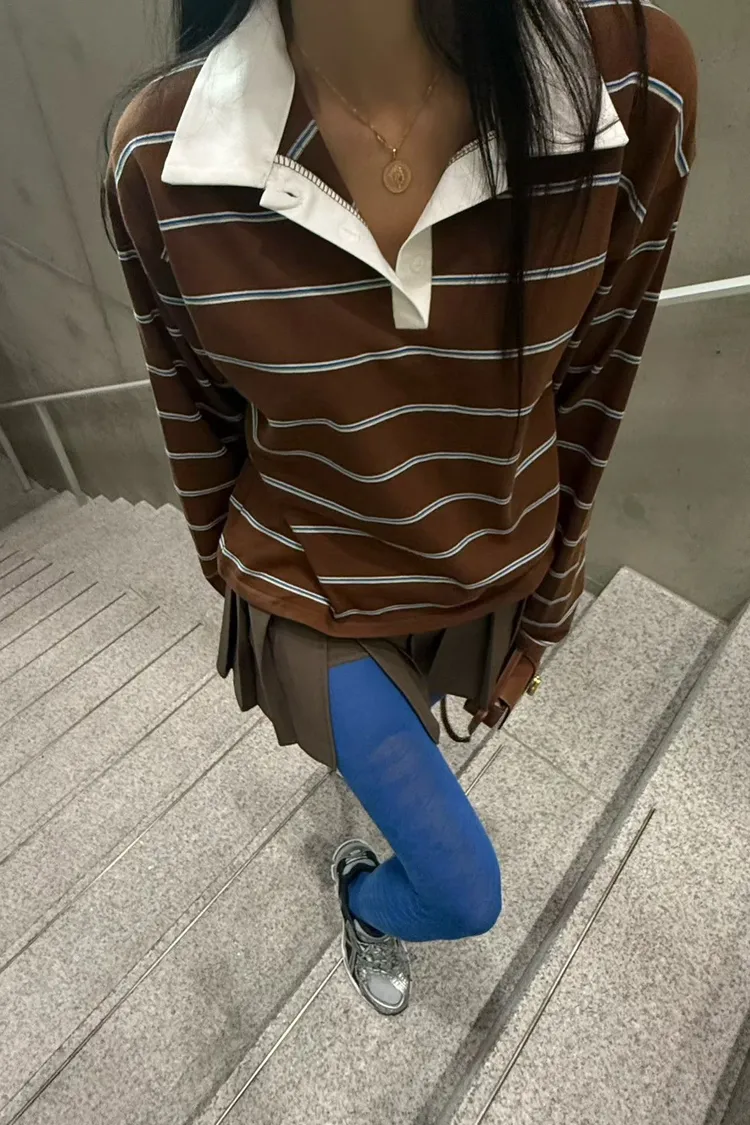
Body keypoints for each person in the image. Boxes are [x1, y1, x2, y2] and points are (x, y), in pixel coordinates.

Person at [105, 0, 697, 1016]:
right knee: (465, 890)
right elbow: (197, 422)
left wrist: (547, 611)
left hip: (491, 560)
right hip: (308, 582)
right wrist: (237, 597)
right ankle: (364, 903)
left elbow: (596, 384)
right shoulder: (160, 157)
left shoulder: (629, 80)